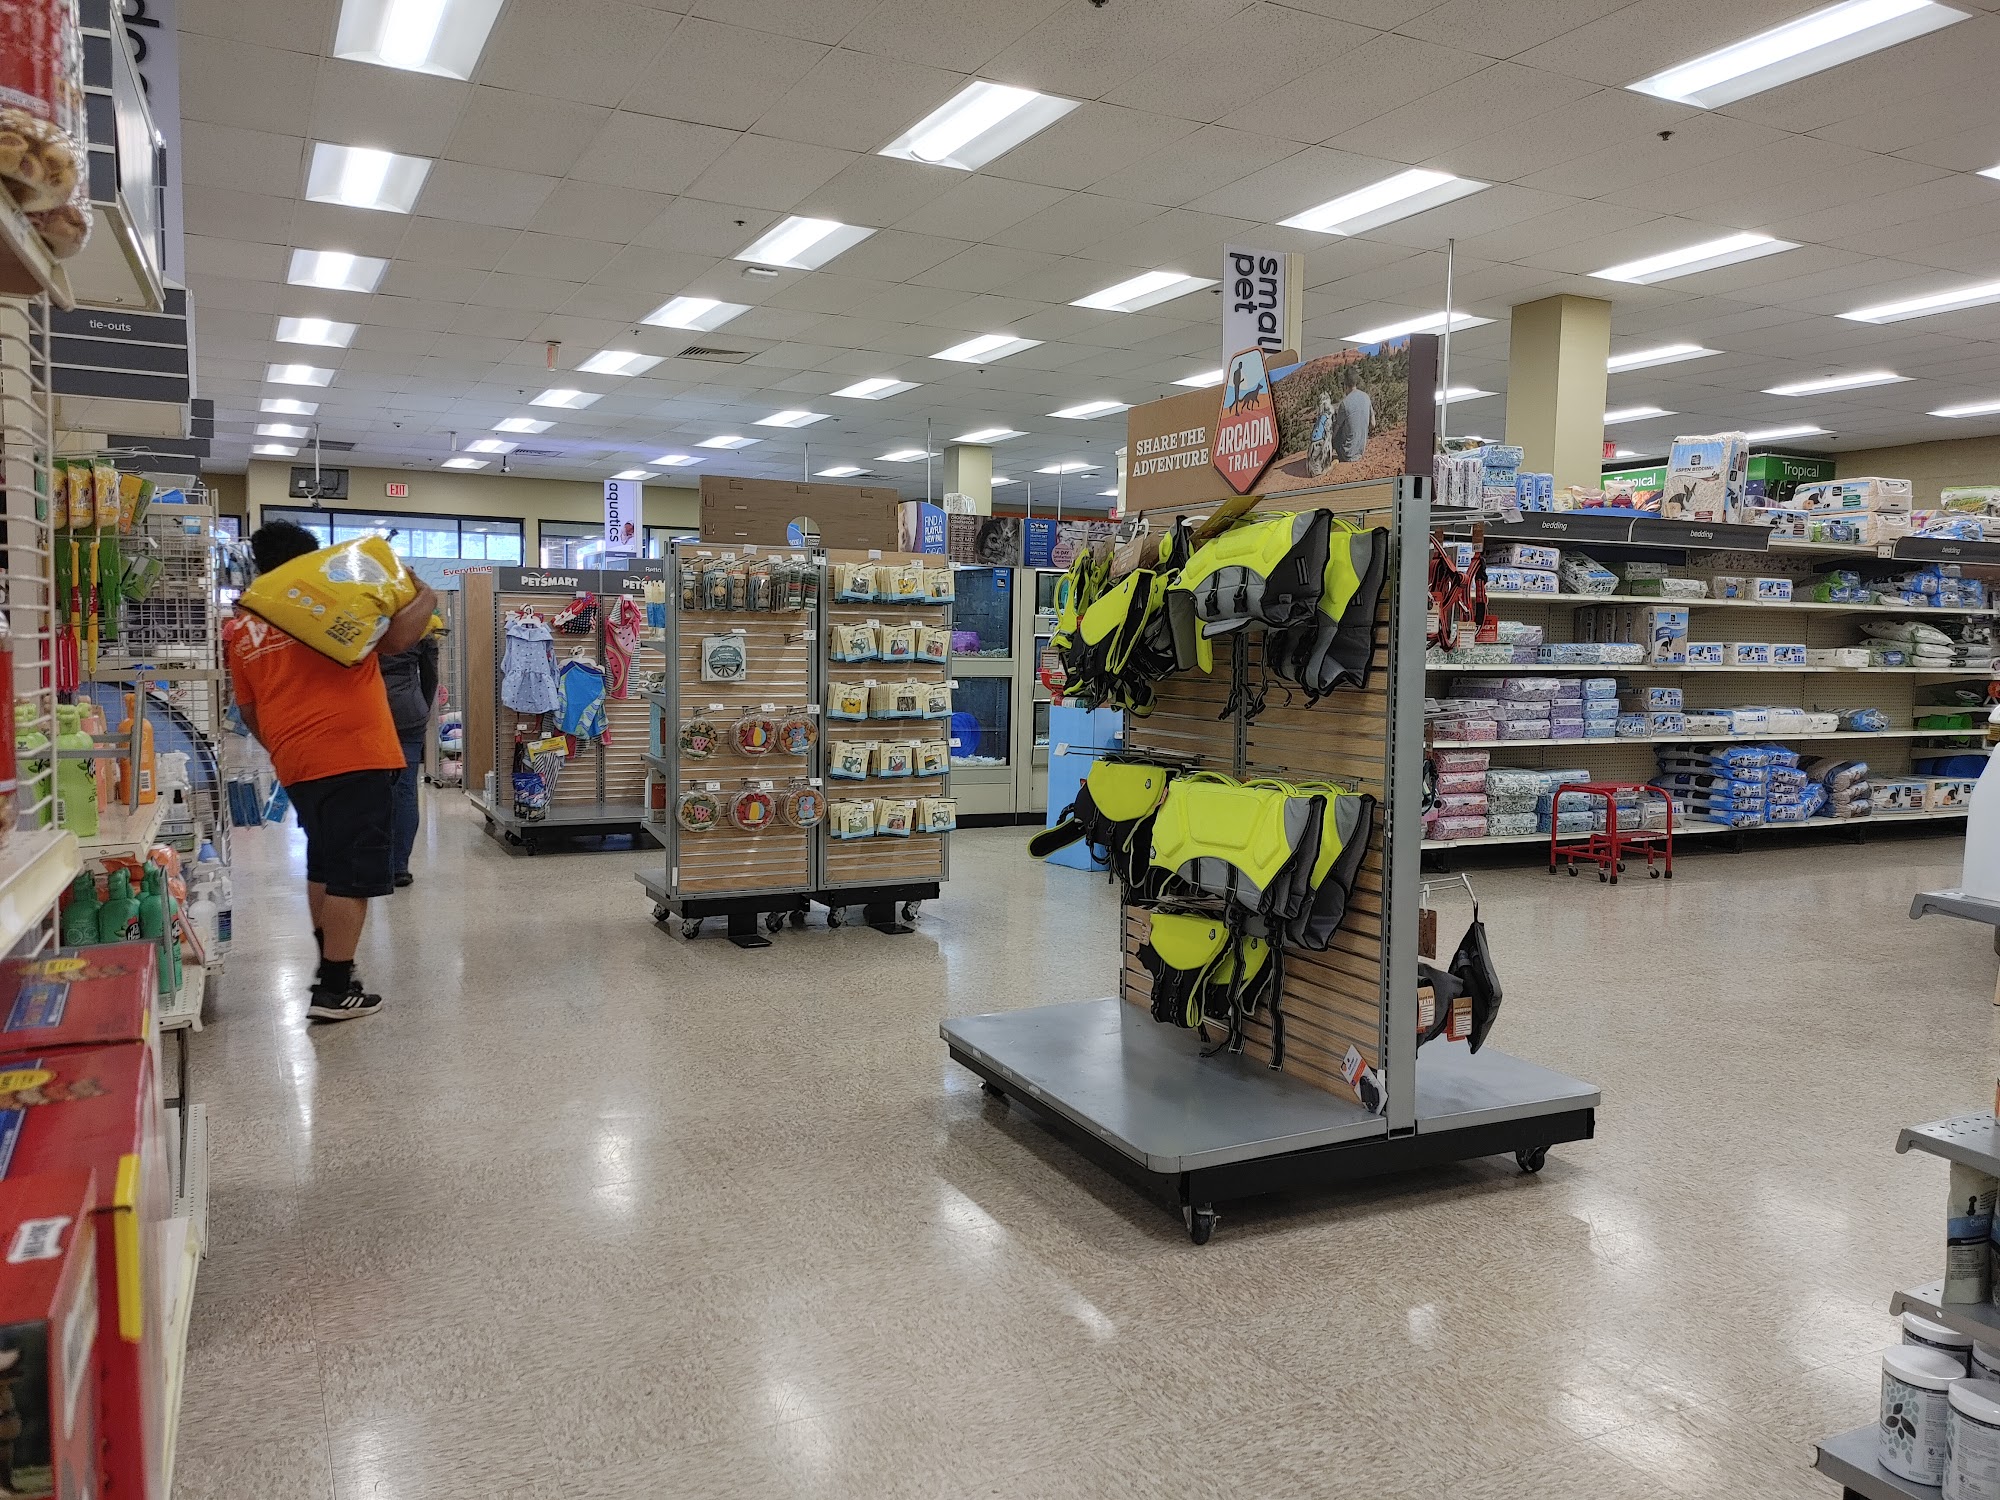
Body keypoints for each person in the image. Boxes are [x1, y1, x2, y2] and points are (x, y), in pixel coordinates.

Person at [225, 522, 438, 1022]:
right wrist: (424, 596)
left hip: (297, 761)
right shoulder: (324, 605)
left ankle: (331, 967)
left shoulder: (247, 625)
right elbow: (396, 640)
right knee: (353, 874)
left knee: (323, 863)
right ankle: (335, 989)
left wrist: (285, 747)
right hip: (354, 751)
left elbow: (249, 710)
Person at [380, 622, 441, 888]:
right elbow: (430, 677)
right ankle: (399, 867)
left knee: (368, 790)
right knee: (405, 790)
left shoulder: (362, 618)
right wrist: (420, 708)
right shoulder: (420, 625)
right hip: (408, 713)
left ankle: (374, 862)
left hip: (370, 712)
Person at [1330, 366, 1372, 464]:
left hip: (1347, 454)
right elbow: (1373, 424)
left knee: (1336, 424)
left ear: (1345, 384)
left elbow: (1336, 430)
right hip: (1360, 451)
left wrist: (1331, 439)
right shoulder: (1366, 397)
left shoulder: (1344, 403)